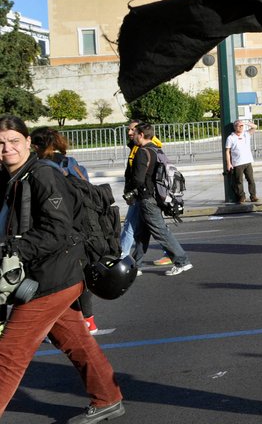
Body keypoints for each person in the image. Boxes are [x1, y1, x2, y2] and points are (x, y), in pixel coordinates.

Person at [0, 115, 125, 422]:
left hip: (53, 276)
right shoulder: (11, 178)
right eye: (0, 143)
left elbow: (58, 231)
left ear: (29, 142)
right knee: (75, 339)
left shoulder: (43, 175)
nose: (7, 149)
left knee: (10, 353)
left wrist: (12, 249)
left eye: (14, 141)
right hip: (39, 274)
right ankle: (108, 398)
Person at [28, 127, 101, 334]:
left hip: (58, 229)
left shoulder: (41, 168)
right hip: (82, 226)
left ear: (34, 146)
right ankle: (88, 321)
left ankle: (55, 327)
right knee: (80, 275)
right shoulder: (73, 164)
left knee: (54, 279)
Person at [126, 123, 193, 277]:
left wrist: (129, 189)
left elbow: (138, 179)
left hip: (147, 198)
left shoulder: (142, 152)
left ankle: (182, 261)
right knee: (142, 233)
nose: (133, 135)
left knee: (161, 231)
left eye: (135, 133)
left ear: (141, 134)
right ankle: (136, 265)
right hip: (155, 197)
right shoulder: (156, 150)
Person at [118, 119, 170, 266]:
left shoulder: (145, 148)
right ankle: (135, 260)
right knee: (147, 228)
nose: (129, 132)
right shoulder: (135, 147)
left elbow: (139, 175)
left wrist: (130, 190)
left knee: (132, 225)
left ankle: (123, 255)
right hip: (142, 193)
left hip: (142, 193)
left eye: (132, 130)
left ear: (140, 133)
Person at [225, 119, 258, 203]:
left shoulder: (246, 134)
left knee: (251, 179)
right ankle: (242, 196)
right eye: (239, 126)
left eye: (242, 126)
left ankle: (253, 196)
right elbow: (227, 151)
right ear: (235, 127)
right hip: (237, 163)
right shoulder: (231, 137)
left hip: (247, 161)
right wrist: (229, 163)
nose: (241, 127)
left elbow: (255, 127)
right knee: (238, 181)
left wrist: (246, 123)